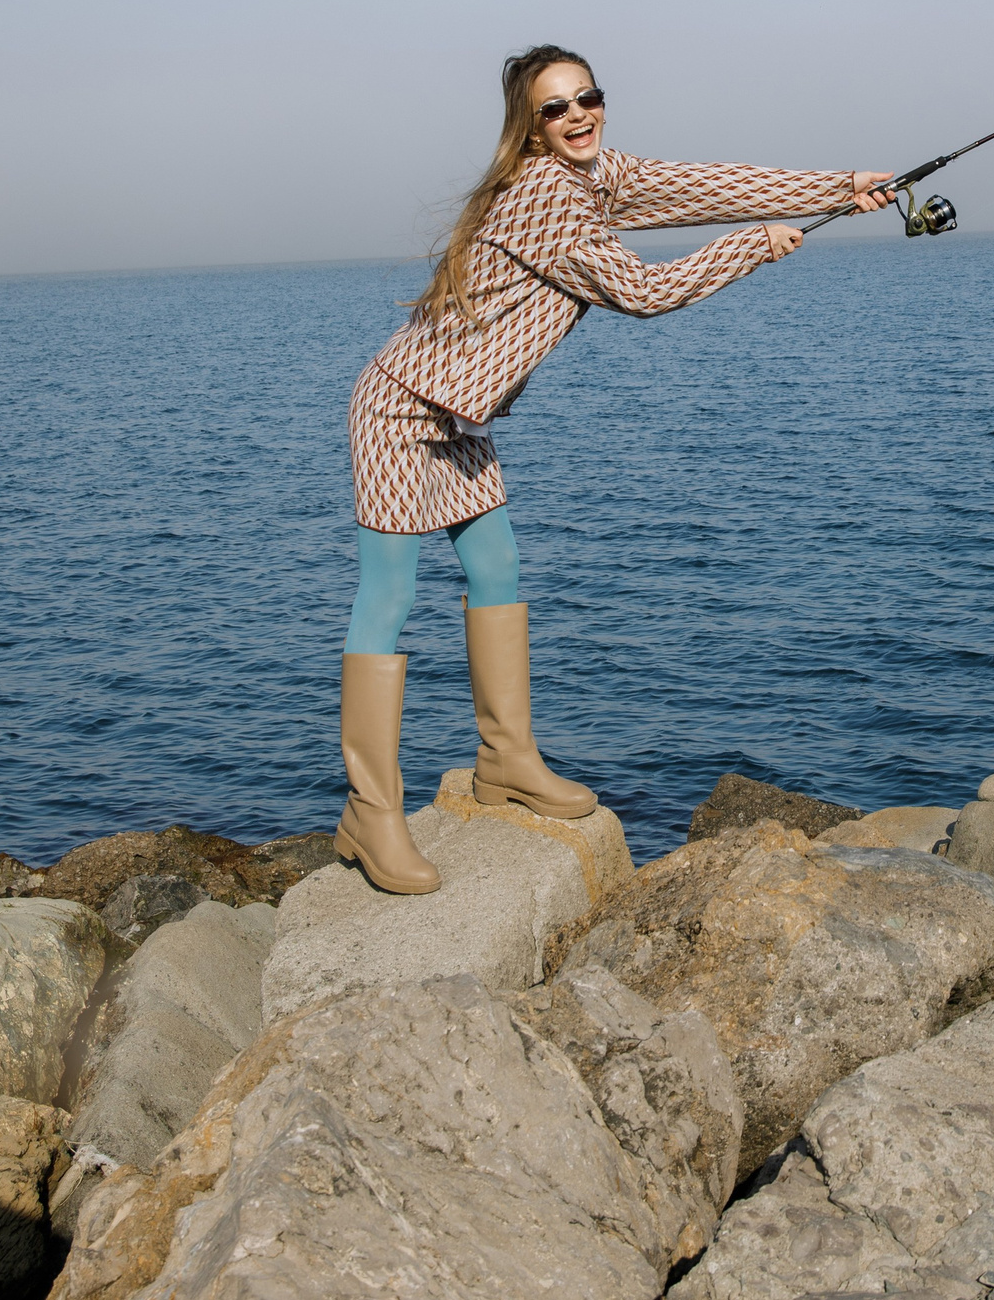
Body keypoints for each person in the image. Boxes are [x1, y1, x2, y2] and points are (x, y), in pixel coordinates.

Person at [335, 43, 894, 893]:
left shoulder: (599, 175)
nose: (578, 115)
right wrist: (750, 248)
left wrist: (840, 189)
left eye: (588, 96)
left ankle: (506, 761)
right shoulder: (544, 197)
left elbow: (706, 187)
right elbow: (641, 291)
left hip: (458, 414)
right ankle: (370, 814)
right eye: (554, 108)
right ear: (530, 128)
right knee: (389, 599)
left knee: (498, 570)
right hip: (401, 406)